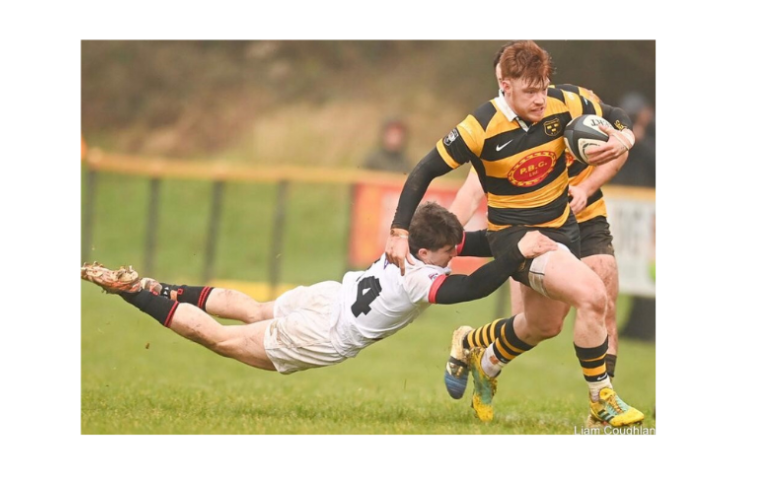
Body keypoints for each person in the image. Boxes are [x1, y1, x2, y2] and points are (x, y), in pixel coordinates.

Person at [386, 39, 643, 426]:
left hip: (564, 232)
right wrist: (399, 230)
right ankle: (601, 404)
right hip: (517, 238)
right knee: (594, 295)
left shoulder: (564, 102)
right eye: (529, 91)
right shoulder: (481, 126)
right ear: (504, 84)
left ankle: (479, 356)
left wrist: (625, 137)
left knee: (543, 326)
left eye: (543, 88)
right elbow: (424, 170)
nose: (540, 99)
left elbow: (616, 114)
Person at [80, 202, 557, 376]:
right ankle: (134, 291)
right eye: (450, 252)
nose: (455, 256)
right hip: (328, 330)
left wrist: (509, 239)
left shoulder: (400, 245)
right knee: (221, 340)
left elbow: (465, 251)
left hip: (333, 294)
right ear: (431, 253)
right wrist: (518, 252)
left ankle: (157, 286)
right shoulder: (421, 280)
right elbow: (471, 289)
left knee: (253, 309)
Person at [448, 80, 629, 427]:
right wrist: (445, 245)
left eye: (541, 89)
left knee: (603, 302)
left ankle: (601, 417)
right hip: (537, 227)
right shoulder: (503, 134)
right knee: (540, 325)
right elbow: (470, 195)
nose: (538, 100)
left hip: (588, 215)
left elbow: (619, 148)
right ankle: (473, 345)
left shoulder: (582, 104)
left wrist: (586, 187)